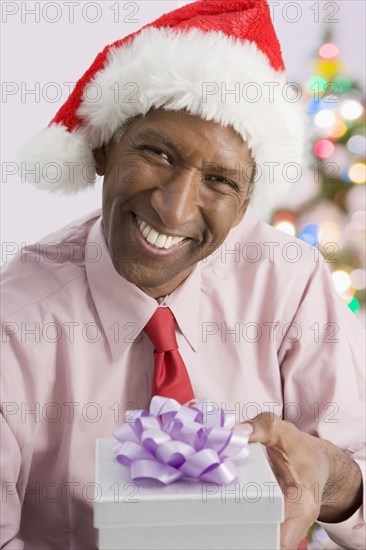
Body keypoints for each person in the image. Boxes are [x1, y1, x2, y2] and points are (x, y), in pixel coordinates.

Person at [1, 1, 365, 549]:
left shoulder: (290, 283)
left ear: (246, 204)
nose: (173, 212)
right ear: (104, 147)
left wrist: (335, 479)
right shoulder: (17, 321)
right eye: (158, 153)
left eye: (220, 180)